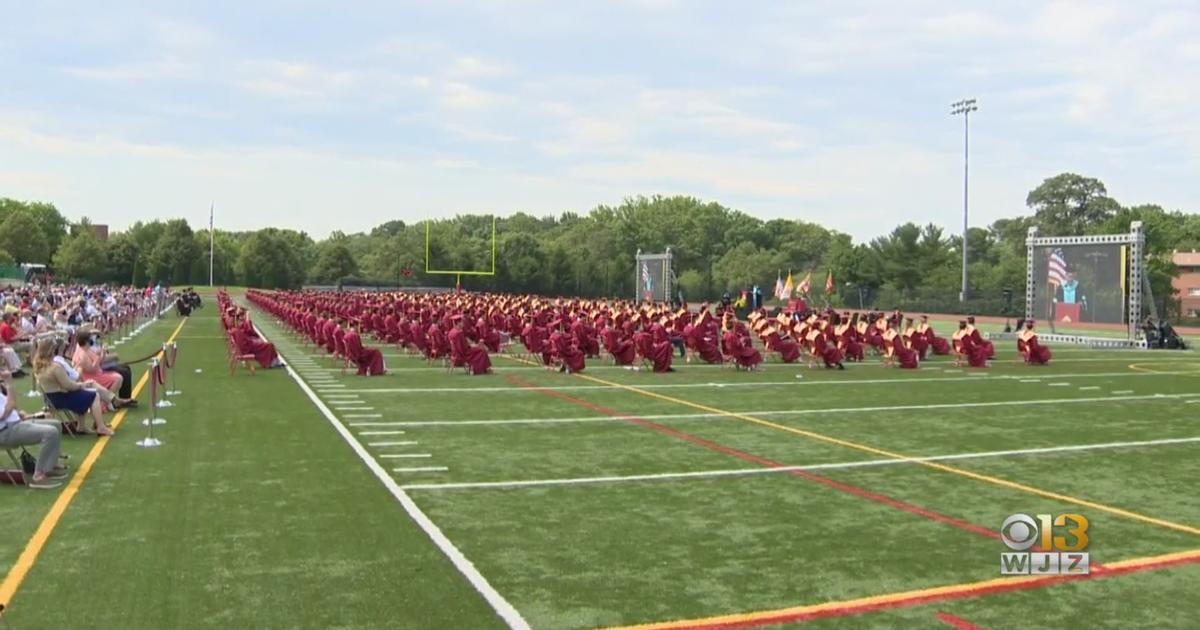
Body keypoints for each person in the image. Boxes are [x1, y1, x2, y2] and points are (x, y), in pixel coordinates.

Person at [0, 371, 66, 489]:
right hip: (4, 433)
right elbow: (9, 408)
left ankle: (50, 466)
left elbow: (13, 407)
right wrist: (9, 382)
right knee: (50, 432)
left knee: (56, 424)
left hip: (14, 425)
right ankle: (38, 476)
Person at [33, 340, 113, 435]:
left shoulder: (38, 367)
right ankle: (101, 427)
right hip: (61, 398)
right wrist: (82, 384)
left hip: (50, 399)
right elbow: (69, 386)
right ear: (51, 351)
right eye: (54, 350)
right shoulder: (55, 367)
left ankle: (82, 426)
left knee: (85, 393)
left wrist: (81, 386)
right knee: (94, 395)